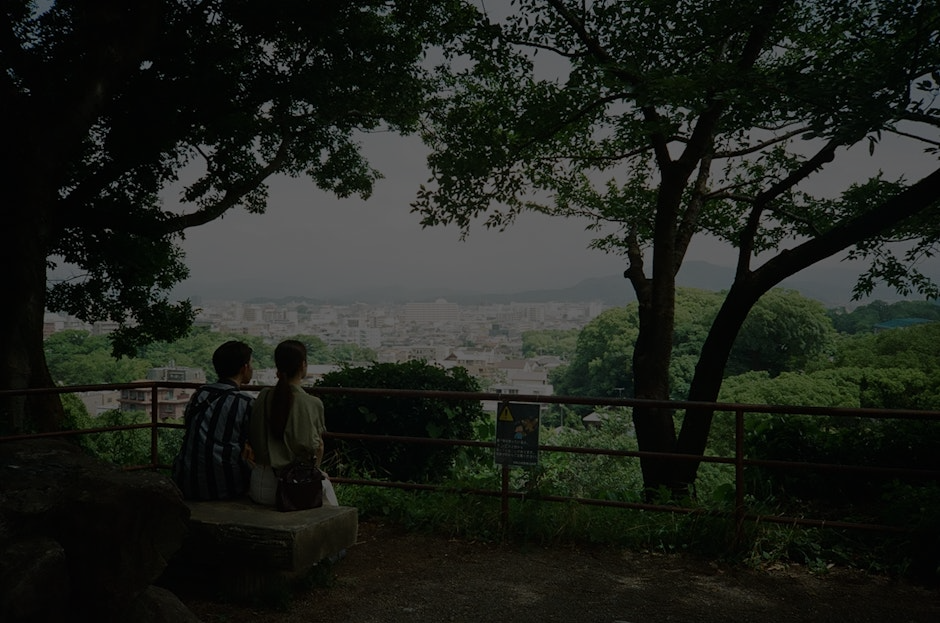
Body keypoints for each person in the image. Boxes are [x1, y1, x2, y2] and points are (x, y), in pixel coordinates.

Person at [248, 339, 338, 506]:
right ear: (303, 365)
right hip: (293, 487)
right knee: (328, 495)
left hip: (259, 484)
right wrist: (316, 470)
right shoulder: (311, 403)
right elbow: (317, 446)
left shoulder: (263, 396)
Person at [171, 340, 255, 500]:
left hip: (186, 481)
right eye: (251, 364)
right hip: (226, 487)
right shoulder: (245, 402)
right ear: (244, 368)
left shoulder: (200, 394)